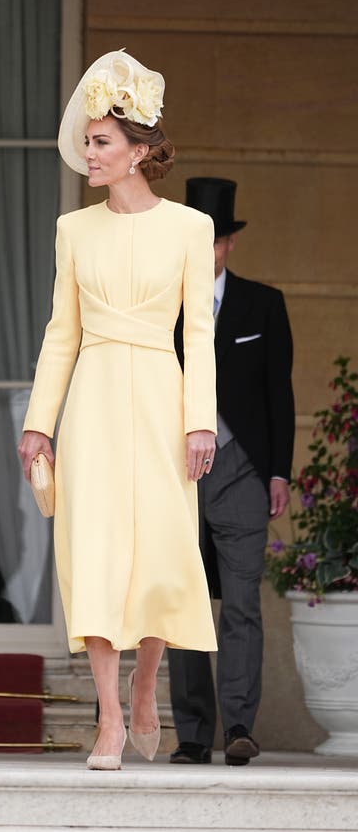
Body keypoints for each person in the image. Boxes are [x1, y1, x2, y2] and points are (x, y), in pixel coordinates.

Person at [18, 51, 218, 770]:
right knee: (94, 553)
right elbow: (60, 333)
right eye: (87, 142)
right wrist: (40, 420)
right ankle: (108, 718)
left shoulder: (192, 228)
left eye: (101, 143)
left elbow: (199, 333)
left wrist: (201, 421)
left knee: (162, 553)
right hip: (95, 401)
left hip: (164, 399)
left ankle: (145, 686)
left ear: (139, 151)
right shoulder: (75, 230)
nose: (87, 153)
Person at [167, 177, 295, 767]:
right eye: (199, 237)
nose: (208, 247)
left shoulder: (264, 304)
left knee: (241, 603)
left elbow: (279, 396)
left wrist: (279, 473)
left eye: (216, 238)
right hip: (175, 473)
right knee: (181, 605)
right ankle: (194, 732)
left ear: (229, 245)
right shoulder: (161, 304)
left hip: (243, 472)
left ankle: (239, 727)